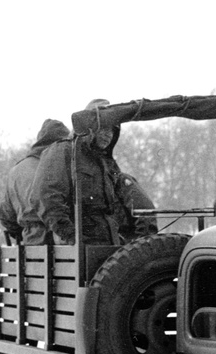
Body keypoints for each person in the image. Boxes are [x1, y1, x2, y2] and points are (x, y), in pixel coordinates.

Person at [30, 99, 156, 245]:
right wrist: (72, 236)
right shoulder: (64, 151)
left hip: (107, 244)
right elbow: (45, 197)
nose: (108, 134)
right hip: (80, 248)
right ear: (89, 127)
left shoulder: (105, 162)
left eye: (112, 130)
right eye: (103, 128)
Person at [0, 119, 69, 244]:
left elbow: (6, 215)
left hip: (31, 244)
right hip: (61, 244)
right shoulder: (60, 165)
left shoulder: (16, 170)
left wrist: (27, 230)